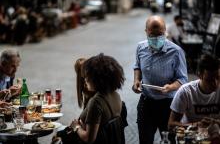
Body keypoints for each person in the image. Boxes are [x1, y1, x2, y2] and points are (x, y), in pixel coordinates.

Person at [132, 15, 188, 144]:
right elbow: (137, 67)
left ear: (165, 32)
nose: (157, 38)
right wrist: (136, 81)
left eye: (160, 34)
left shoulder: (176, 51)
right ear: (146, 32)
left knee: (170, 140)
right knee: (145, 140)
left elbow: (183, 79)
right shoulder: (140, 47)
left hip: (168, 105)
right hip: (146, 103)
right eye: (152, 35)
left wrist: (171, 87)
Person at [71, 53, 125, 144]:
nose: (85, 80)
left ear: (96, 78)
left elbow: (89, 138)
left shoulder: (96, 102)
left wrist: (76, 127)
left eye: (87, 76)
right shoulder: (116, 95)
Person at [168, 54, 220, 128]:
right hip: (191, 137)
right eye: (210, 80)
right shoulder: (186, 91)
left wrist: (215, 122)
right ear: (199, 75)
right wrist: (196, 125)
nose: (215, 83)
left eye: (218, 78)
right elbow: (171, 125)